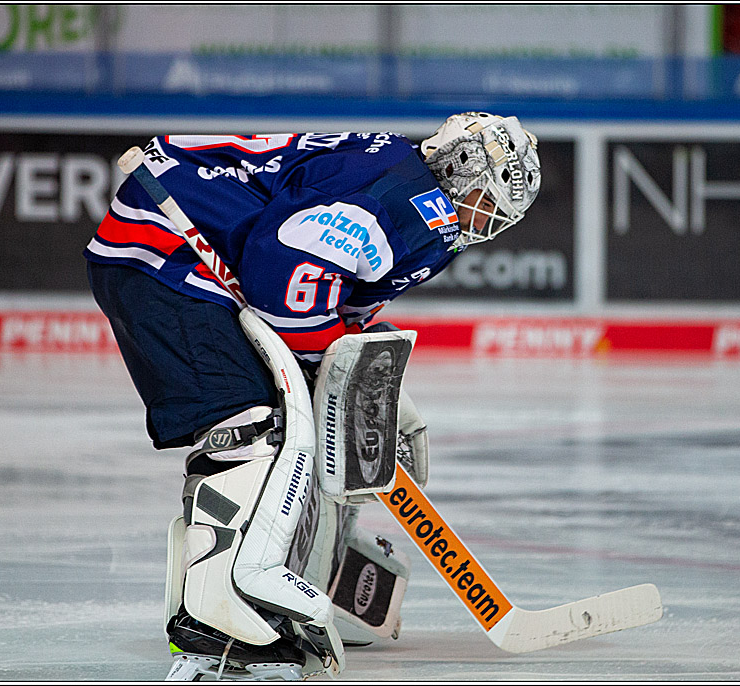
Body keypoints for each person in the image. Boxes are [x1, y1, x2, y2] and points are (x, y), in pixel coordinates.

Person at [83, 112, 541, 680]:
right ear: (464, 172)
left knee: (285, 421)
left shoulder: (409, 188)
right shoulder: (410, 205)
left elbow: (332, 291)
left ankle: (260, 581)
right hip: (167, 259)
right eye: (488, 202)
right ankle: (220, 611)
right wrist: (334, 364)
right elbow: (282, 269)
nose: (489, 221)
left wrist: (361, 375)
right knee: (251, 430)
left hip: (173, 247)